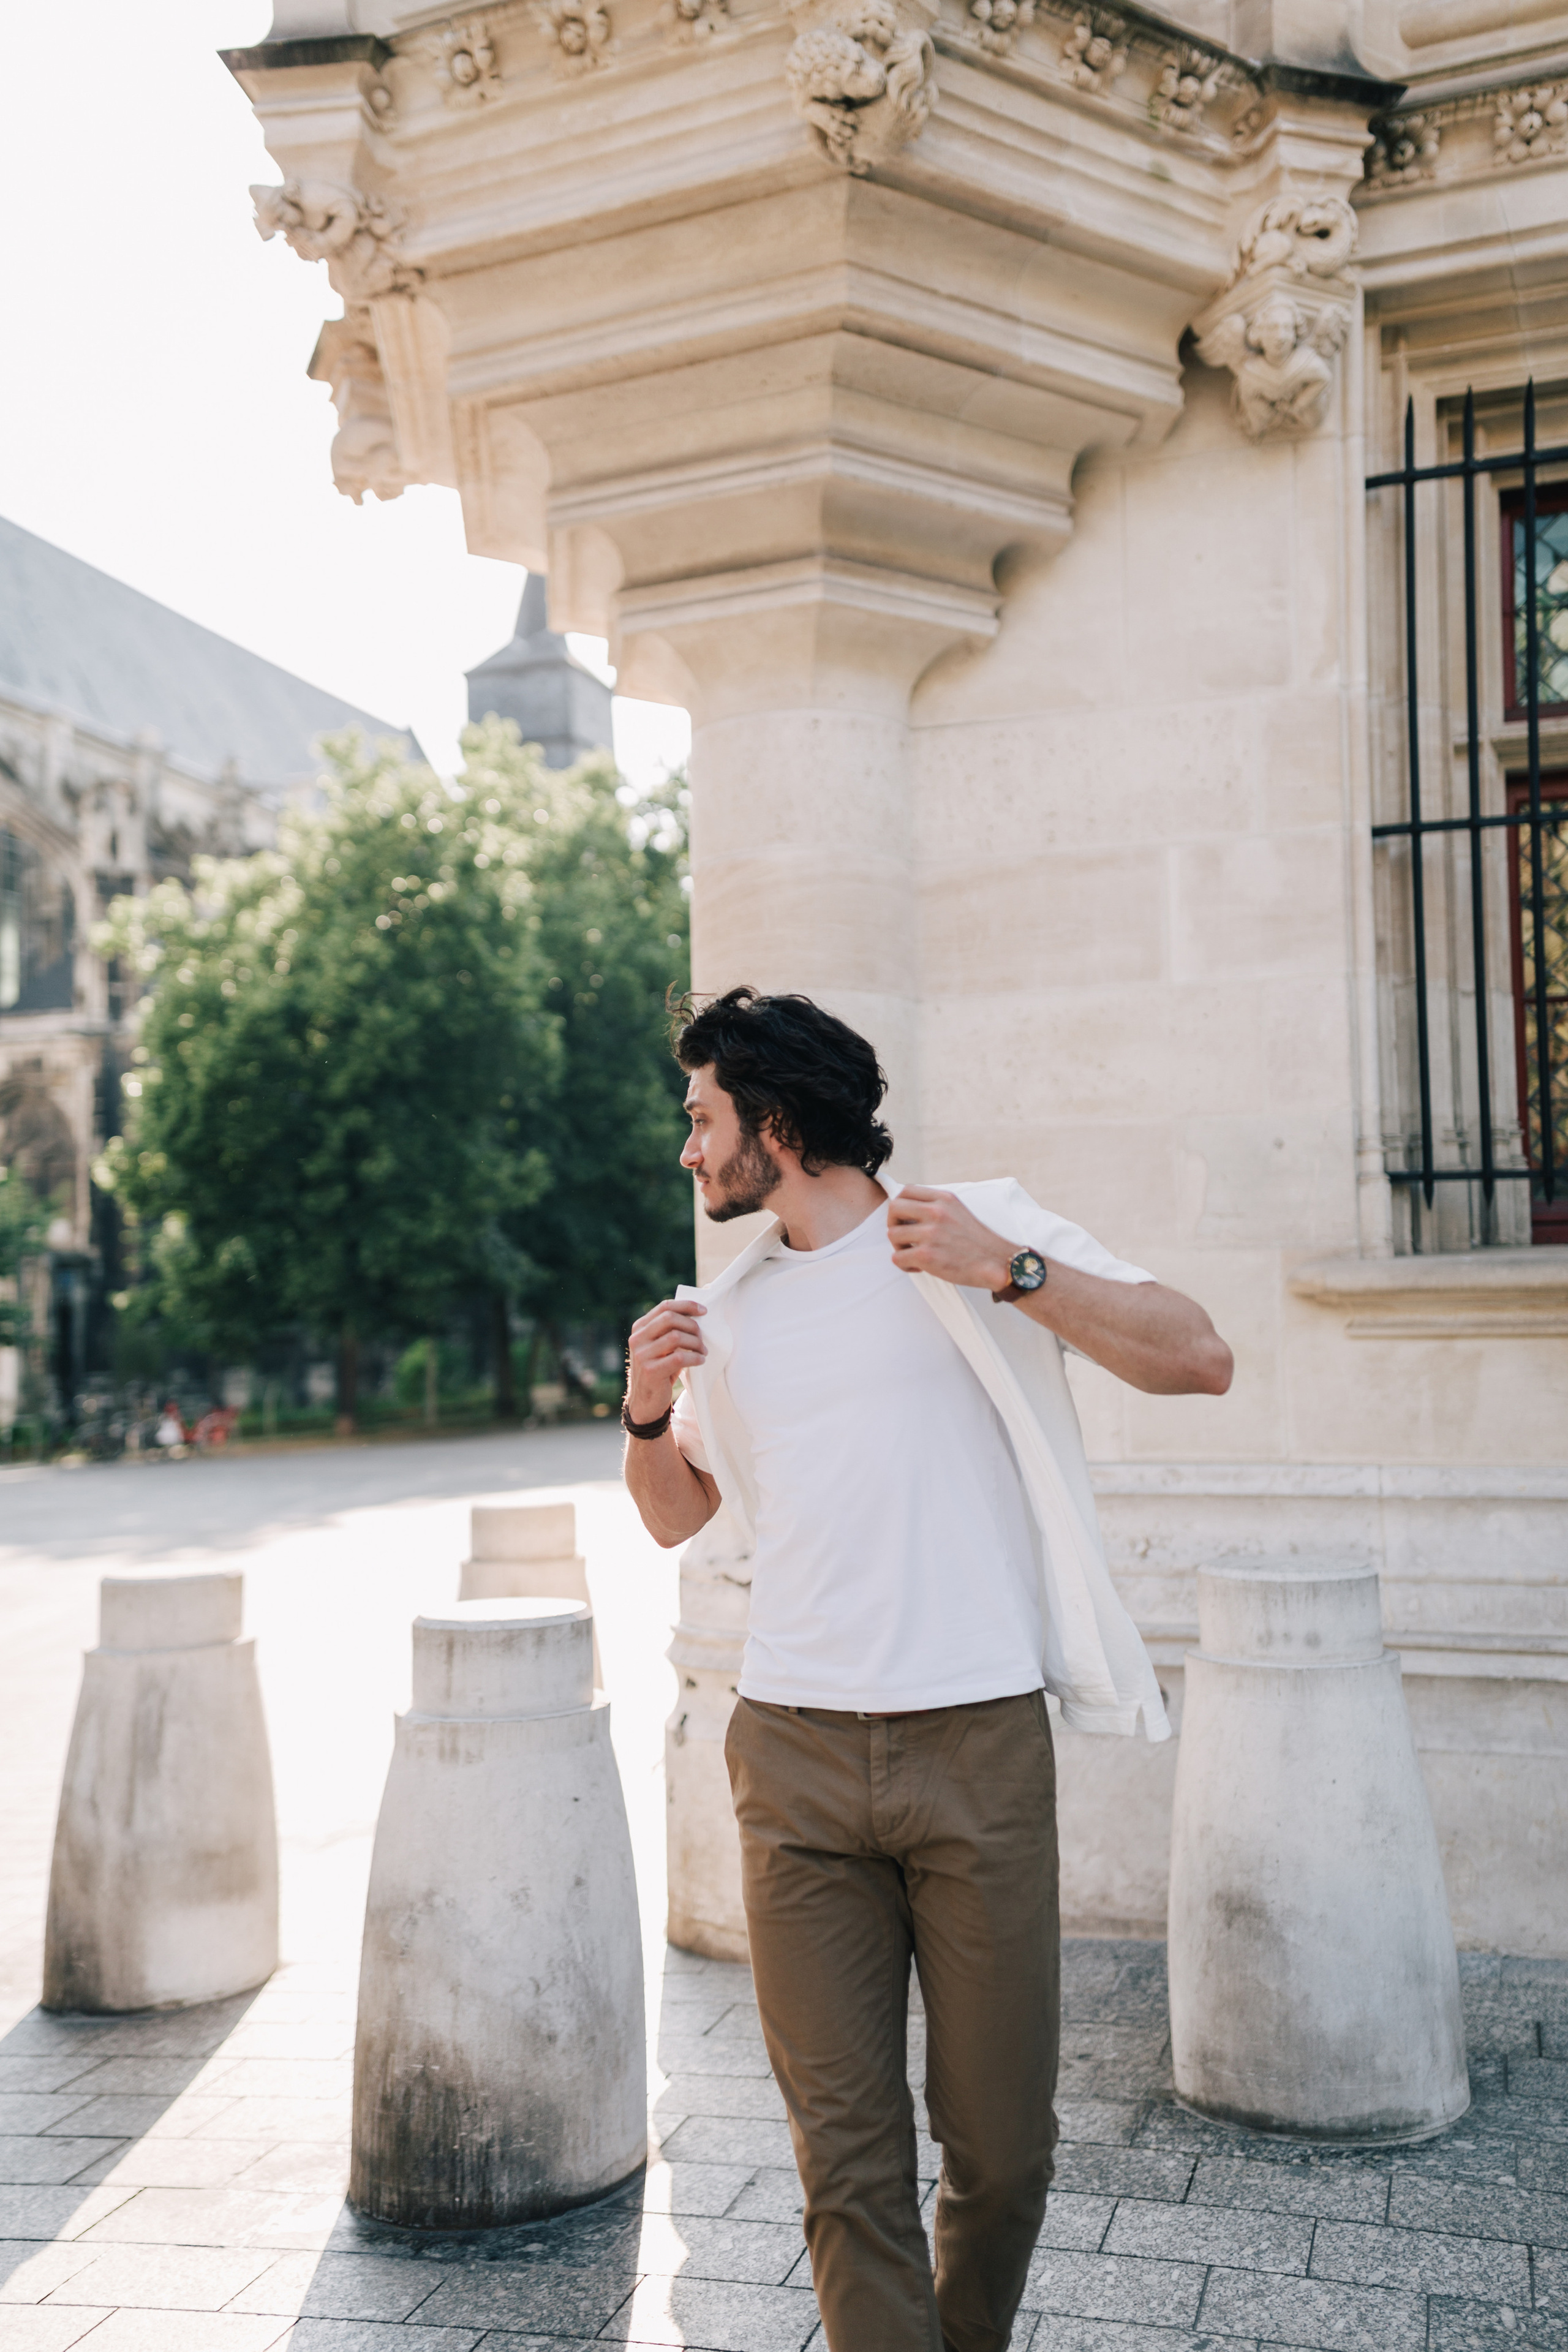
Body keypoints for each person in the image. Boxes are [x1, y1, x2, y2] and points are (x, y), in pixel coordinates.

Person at [623, 987, 1232, 2352]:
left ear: (773, 1122)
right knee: (844, 2171)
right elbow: (674, 1514)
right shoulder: (716, 1313)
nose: (687, 1150)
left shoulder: (971, 1230)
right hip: (791, 1759)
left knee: (1003, 2155)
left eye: (700, 1119)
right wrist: (644, 1414)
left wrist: (1010, 1269)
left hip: (973, 1750)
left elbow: (1198, 1357)